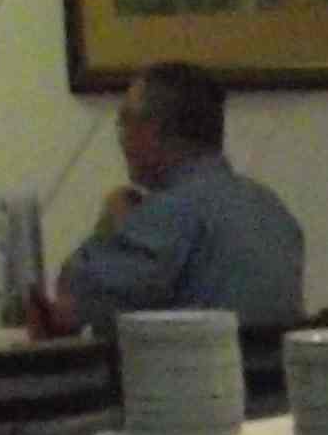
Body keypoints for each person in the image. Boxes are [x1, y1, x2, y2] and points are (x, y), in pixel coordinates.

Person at [50, 59, 309, 330]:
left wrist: (114, 225)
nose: (122, 138)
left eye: (125, 122)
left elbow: (75, 299)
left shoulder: (169, 212)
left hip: (193, 359)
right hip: (271, 359)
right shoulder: (272, 209)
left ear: (150, 131)